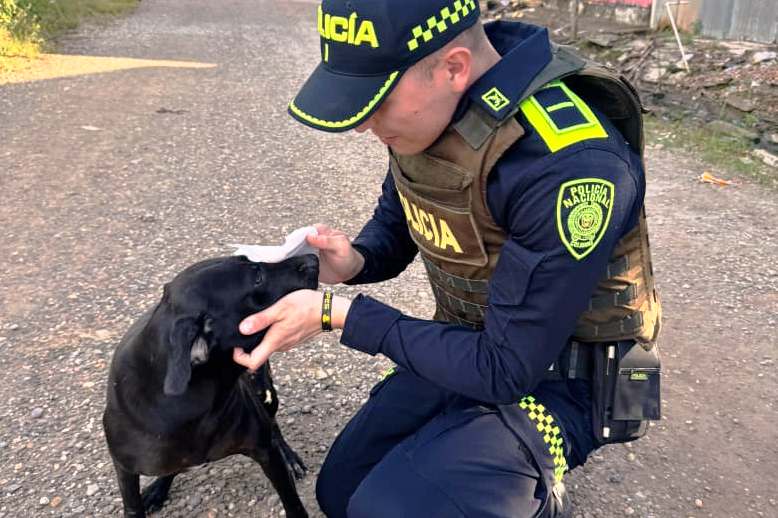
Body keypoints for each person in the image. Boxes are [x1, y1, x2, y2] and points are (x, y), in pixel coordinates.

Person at [233, 0, 662, 516]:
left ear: (455, 67)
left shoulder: (568, 165)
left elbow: (505, 373)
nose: (361, 125)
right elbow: (399, 222)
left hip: (572, 382)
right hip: (475, 348)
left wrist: (335, 313)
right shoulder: (438, 113)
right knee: (342, 492)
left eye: (375, 100)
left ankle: (533, 493)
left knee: (391, 508)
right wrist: (353, 261)